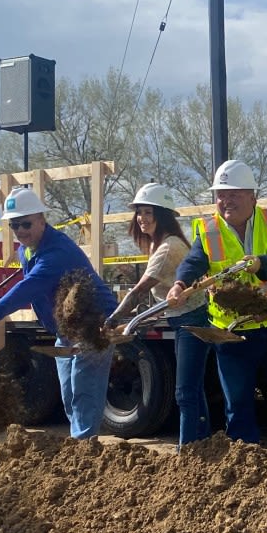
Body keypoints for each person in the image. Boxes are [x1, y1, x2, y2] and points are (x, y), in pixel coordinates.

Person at [166, 159, 267, 460]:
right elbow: (193, 262)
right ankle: (246, 466)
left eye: (234, 194)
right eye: (220, 194)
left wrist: (262, 264)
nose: (226, 200)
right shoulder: (207, 230)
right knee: (239, 403)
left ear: (253, 197)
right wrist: (179, 284)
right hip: (234, 332)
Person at [0, 186, 118, 439]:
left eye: (26, 224)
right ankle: (81, 445)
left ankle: (84, 450)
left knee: (84, 391)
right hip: (66, 331)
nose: (20, 231)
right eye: (14, 226)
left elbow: (30, 287)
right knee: (70, 394)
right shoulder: (26, 250)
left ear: (41, 219)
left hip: (95, 327)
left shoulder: (57, 252)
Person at [106, 183, 212, 449]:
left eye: (148, 212)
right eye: (139, 212)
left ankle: (187, 449)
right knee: (193, 389)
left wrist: (111, 320)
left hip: (192, 320)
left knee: (185, 391)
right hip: (182, 319)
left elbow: (138, 292)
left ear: (162, 215)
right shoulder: (159, 245)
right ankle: (204, 444)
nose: (141, 218)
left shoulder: (168, 248)